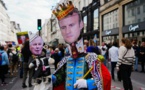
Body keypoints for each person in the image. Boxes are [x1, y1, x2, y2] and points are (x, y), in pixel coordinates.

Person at [52, 1, 111, 90]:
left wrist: (88, 83)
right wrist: (51, 79)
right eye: (63, 27)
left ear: (81, 25)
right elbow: (59, 79)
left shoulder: (92, 58)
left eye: (71, 25)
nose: (68, 31)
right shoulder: (65, 60)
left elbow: (105, 79)